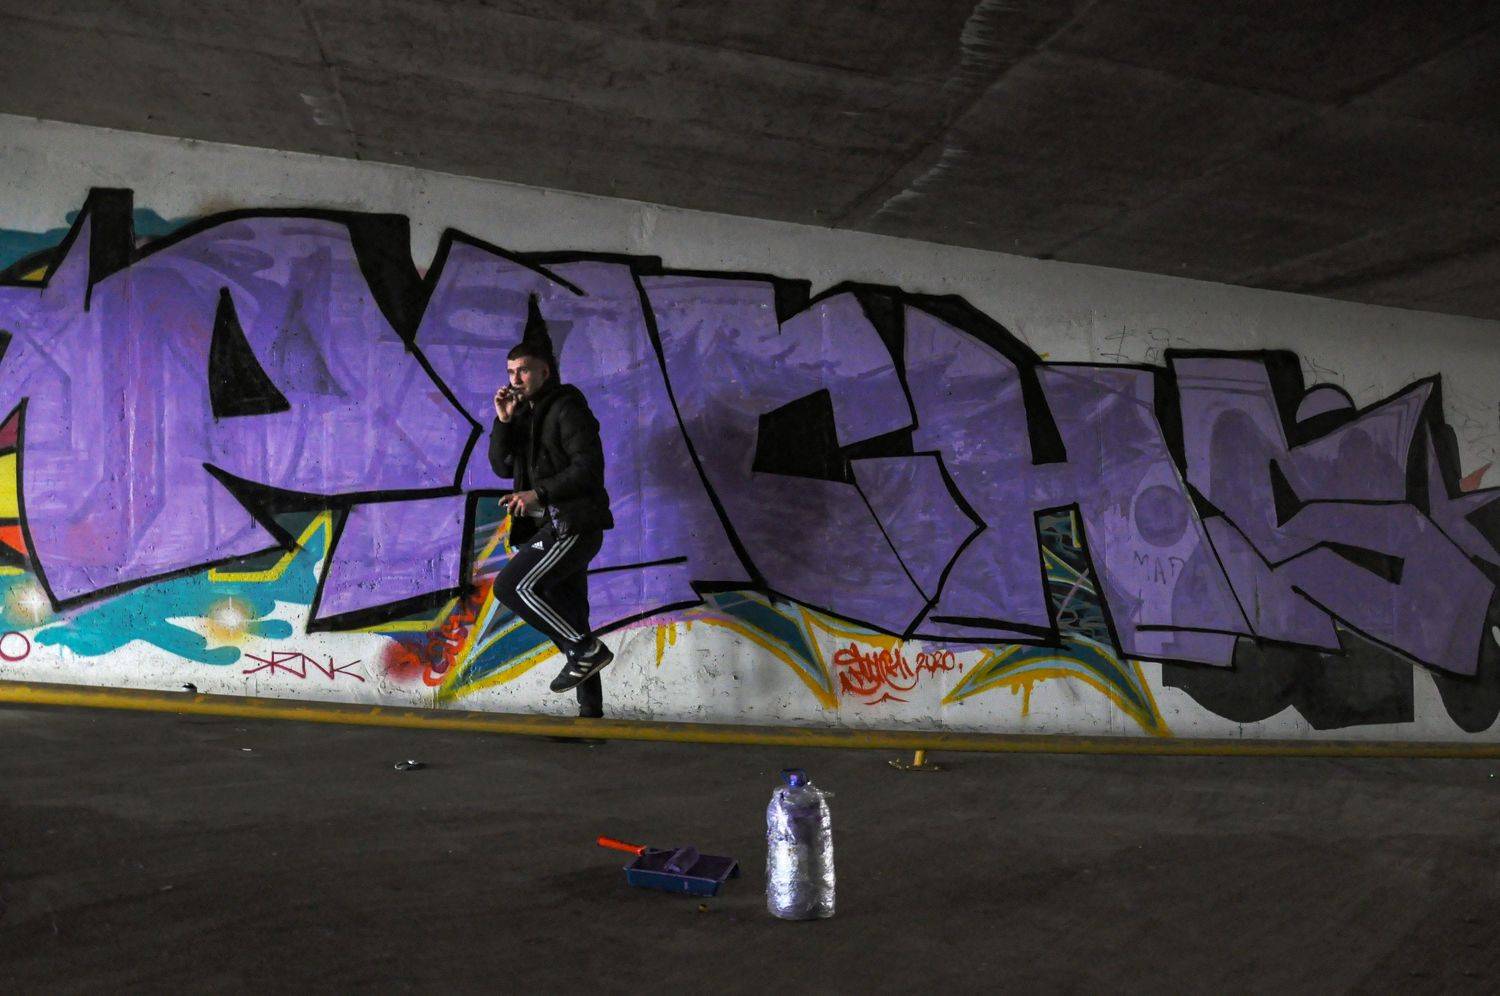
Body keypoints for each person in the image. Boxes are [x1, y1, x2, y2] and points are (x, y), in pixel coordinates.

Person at [488, 340, 615, 717]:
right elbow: (501, 467)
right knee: (573, 616)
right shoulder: (524, 415)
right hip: (550, 525)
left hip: (572, 524)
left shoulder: (567, 408)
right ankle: (591, 712)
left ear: (545, 371)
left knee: (511, 586)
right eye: (511, 372)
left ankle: (585, 650)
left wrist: (538, 493)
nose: (516, 379)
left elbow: (588, 468)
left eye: (524, 370)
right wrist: (503, 421)